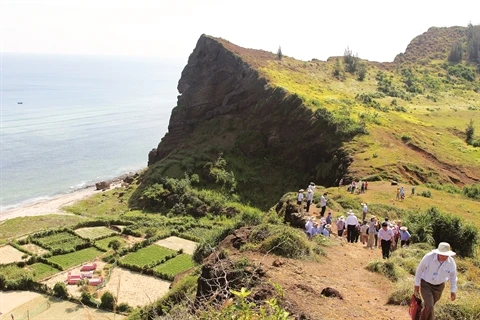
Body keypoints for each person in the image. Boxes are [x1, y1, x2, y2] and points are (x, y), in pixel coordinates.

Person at [414, 242, 457, 320]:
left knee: (429, 306)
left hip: (439, 287)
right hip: (426, 284)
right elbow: (419, 270)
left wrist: (453, 291)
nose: (444, 257)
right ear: (438, 253)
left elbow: (453, 277)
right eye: (442, 255)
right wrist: (416, 284)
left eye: (446, 255)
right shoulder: (428, 258)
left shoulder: (451, 263)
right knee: (430, 305)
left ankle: (420, 316)